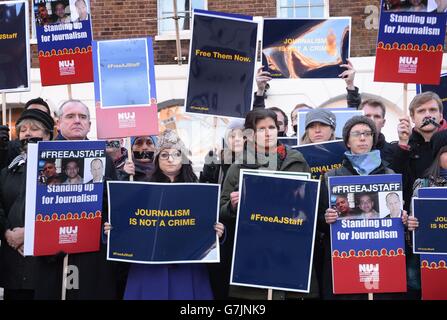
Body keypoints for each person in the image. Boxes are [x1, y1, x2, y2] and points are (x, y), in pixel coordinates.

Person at [105, 129, 225, 300]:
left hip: (187, 269)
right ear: (157, 160)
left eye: (176, 154)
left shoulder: (199, 190)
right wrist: (114, 229)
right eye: (164, 155)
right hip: (149, 269)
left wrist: (218, 231)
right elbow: (128, 223)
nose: (170, 159)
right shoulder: (141, 190)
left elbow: (206, 225)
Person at [220, 108, 315, 299]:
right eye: (261, 128)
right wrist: (232, 206)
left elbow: (313, 204)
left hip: (292, 250)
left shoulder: (297, 160)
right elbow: (221, 212)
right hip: (255, 254)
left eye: (272, 127)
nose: (268, 132)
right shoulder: (238, 166)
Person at [34, 99, 120, 300]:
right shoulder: (42, 153)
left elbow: (113, 201)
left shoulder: (103, 157)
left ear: (89, 124)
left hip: (92, 247)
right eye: (70, 116)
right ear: (58, 123)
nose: (77, 121)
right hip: (52, 247)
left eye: (83, 117)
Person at [319, 115, 410, 299]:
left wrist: (403, 218)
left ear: (374, 140)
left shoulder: (389, 174)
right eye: (357, 134)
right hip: (344, 262)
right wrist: (326, 218)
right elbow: (318, 222)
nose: (362, 138)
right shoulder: (331, 177)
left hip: (383, 259)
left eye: (367, 134)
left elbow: (397, 219)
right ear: (347, 142)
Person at [0, 109, 54, 300]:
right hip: (13, 266)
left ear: (48, 135)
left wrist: (30, 233)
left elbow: (63, 211)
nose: (28, 133)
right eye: (23, 130)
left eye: (34, 129)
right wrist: (7, 233)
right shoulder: (8, 172)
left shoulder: (60, 172)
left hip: (46, 266)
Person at [406, 129, 447, 300]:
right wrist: (411, 226)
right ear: (438, 155)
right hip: (433, 267)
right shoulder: (422, 186)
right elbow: (412, 238)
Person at [391, 91, 446, 211]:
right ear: (413, 118)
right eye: (421, 111)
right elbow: (396, 184)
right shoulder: (402, 147)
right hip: (415, 220)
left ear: (441, 116)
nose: (427, 115)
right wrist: (403, 145)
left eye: (432, 110)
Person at [200, 119, 245, 185]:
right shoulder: (222, 160)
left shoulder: (254, 163)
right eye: (232, 136)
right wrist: (209, 168)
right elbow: (211, 188)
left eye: (241, 135)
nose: (236, 139)